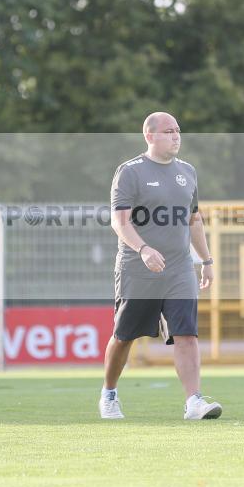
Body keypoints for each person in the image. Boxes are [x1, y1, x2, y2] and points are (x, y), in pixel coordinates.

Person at [99, 111, 222, 420]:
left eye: (178, 130)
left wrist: (206, 260)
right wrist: (142, 249)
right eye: (169, 131)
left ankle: (194, 401)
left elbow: (194, 220)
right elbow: (120, 222)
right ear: (150, 136)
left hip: (179, 268)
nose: (176, 136)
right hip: (137, 269)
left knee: (187, 334)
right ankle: (109, 393)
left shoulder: (188, 172)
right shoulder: (130, 172)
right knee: (124, 335)